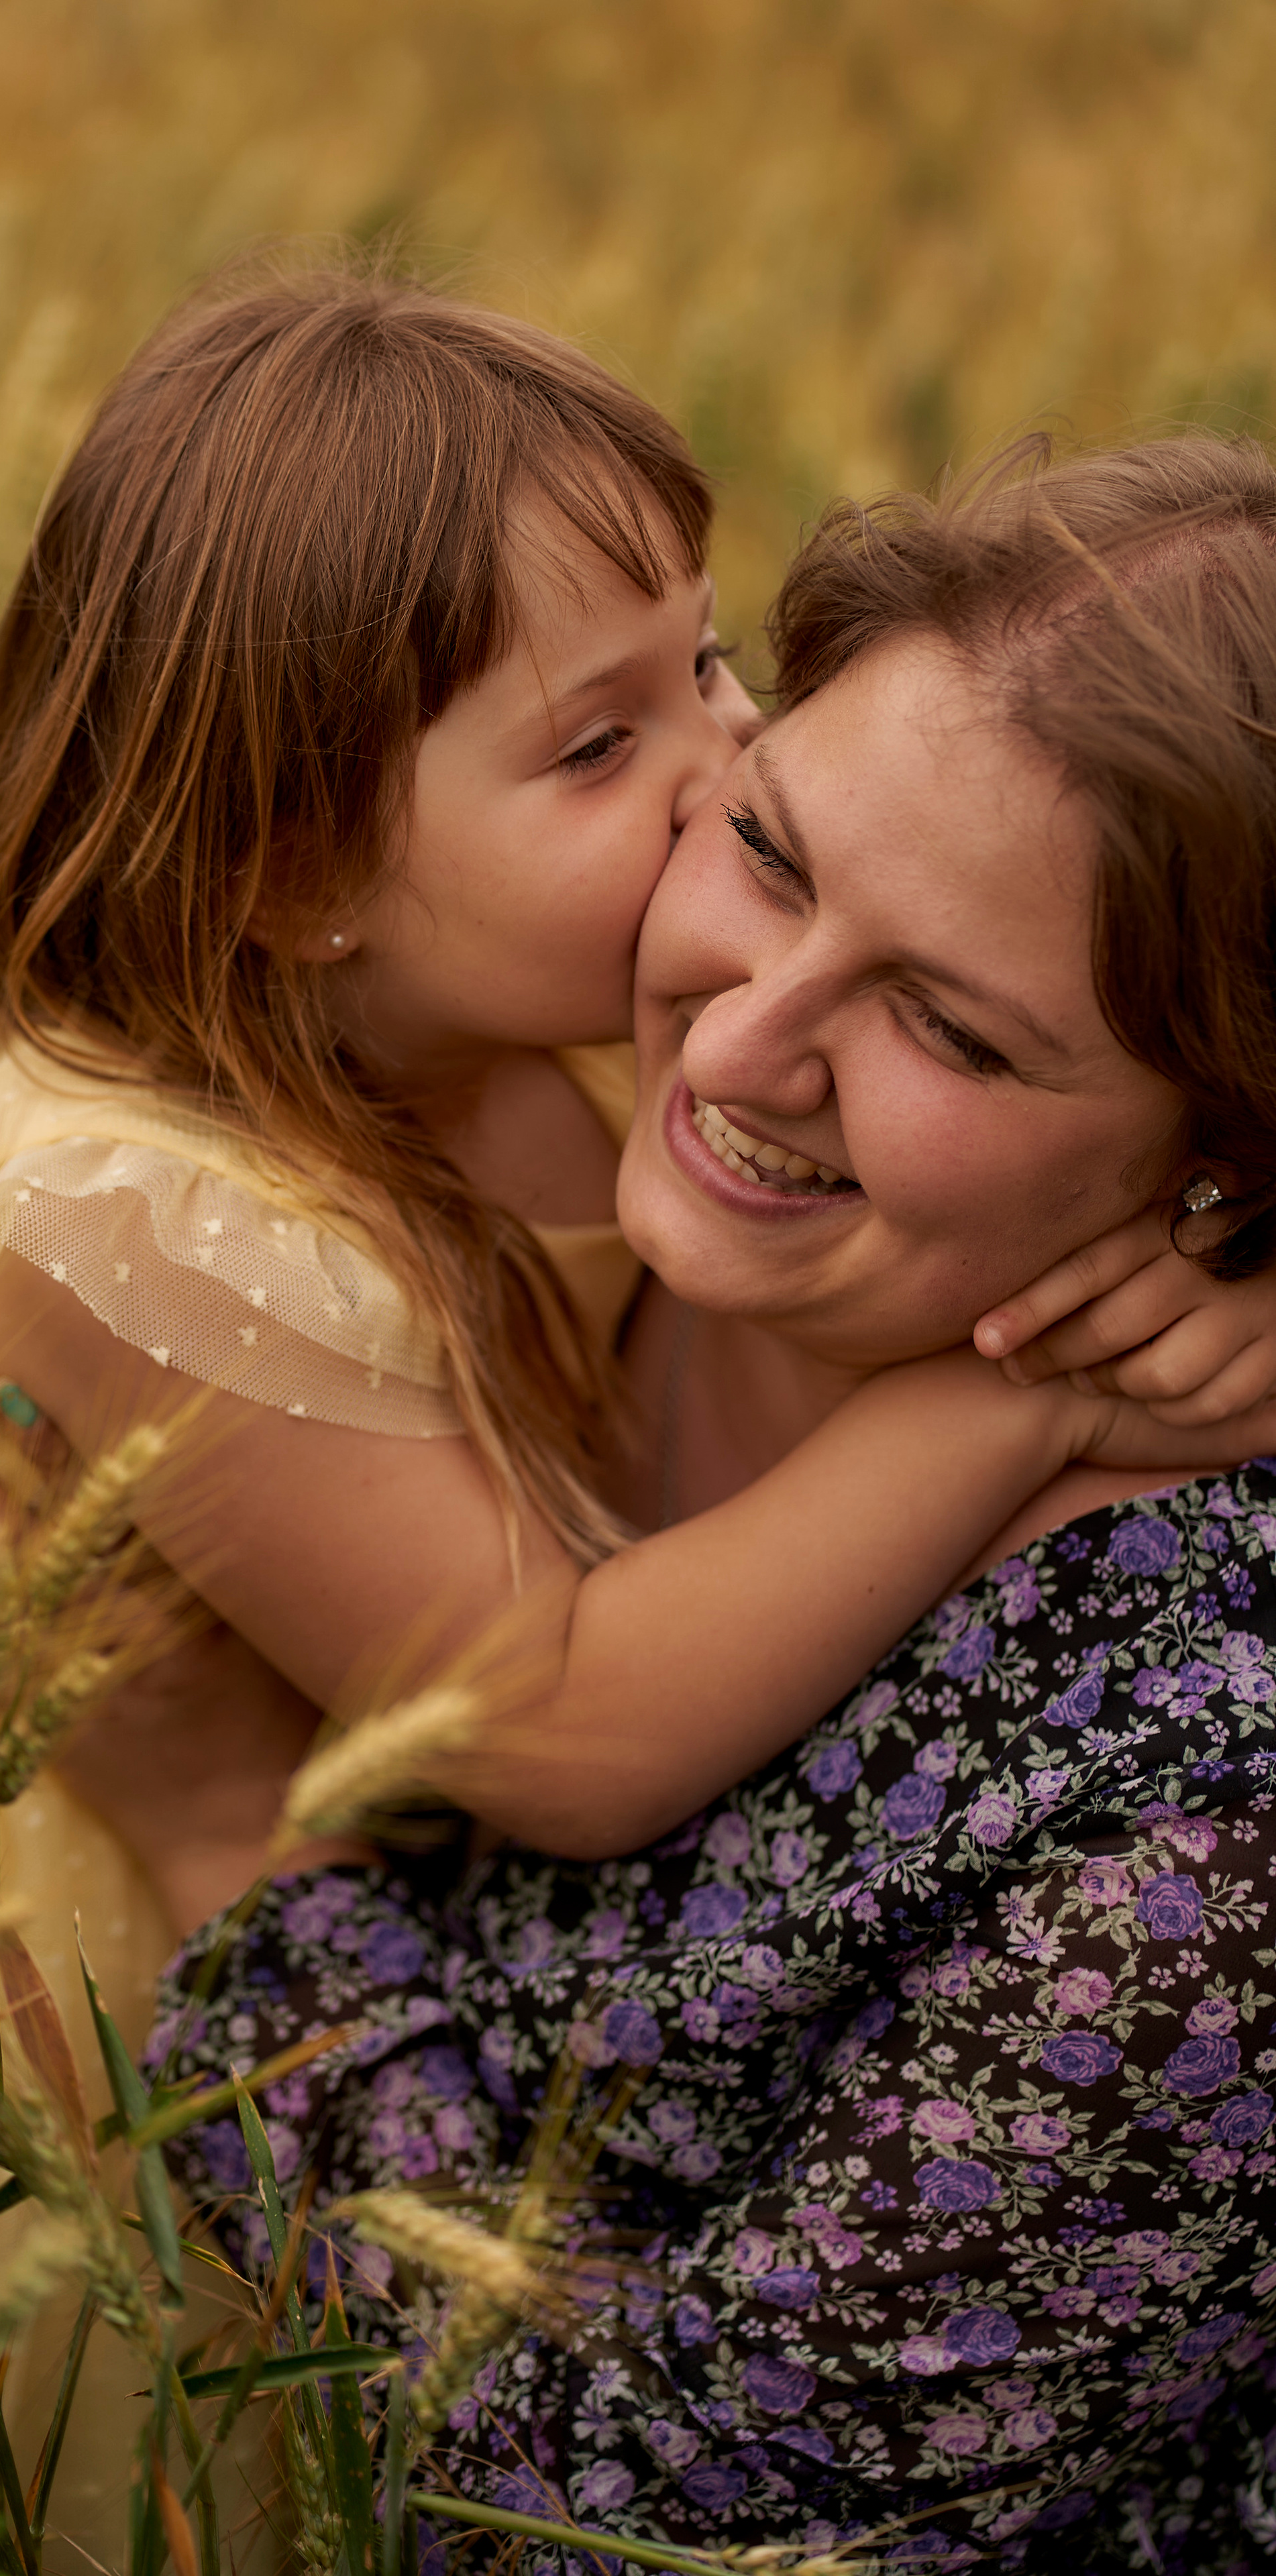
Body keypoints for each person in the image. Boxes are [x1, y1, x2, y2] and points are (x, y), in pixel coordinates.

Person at [151, 431, 1276, 2573]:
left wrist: (230, 1861)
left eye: (948, 1026)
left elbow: (620, 2539)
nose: (742, 1042)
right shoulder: (471, 1173)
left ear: (1218, 1150)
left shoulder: (1206, 1850)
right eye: (765, 851)